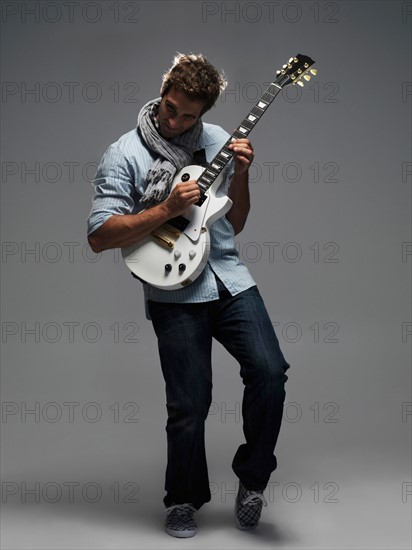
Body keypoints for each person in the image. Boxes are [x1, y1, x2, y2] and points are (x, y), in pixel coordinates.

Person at [87, 53, 290, 538]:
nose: (174, 121)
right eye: (169, 107)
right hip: (173, 289)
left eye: (187, 116)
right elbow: (99, 235)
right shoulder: (125, 153)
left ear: (204, 114)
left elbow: (235, 223)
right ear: (162, 92)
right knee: (189, 404)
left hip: (227, 277)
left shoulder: (218, 142)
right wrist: (165, 208)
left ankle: (253, 482)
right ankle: (182, 498)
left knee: (271, 372)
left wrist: (240, 175)